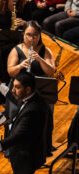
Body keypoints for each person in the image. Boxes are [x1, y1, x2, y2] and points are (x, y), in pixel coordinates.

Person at [7, 21, 56, 154]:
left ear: (39, 35)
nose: (32, 38)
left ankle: (42, 147)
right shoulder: (16, 50)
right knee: (20, 119)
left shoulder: (46, 51)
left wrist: (40, 60)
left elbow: (51, 71)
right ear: (23, 34)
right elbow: (11, 72)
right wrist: (20, 66)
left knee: (45, 115)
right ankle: (16, 147)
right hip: (20, 91)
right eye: (28, 35)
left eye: (35, 35)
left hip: (40, 90)